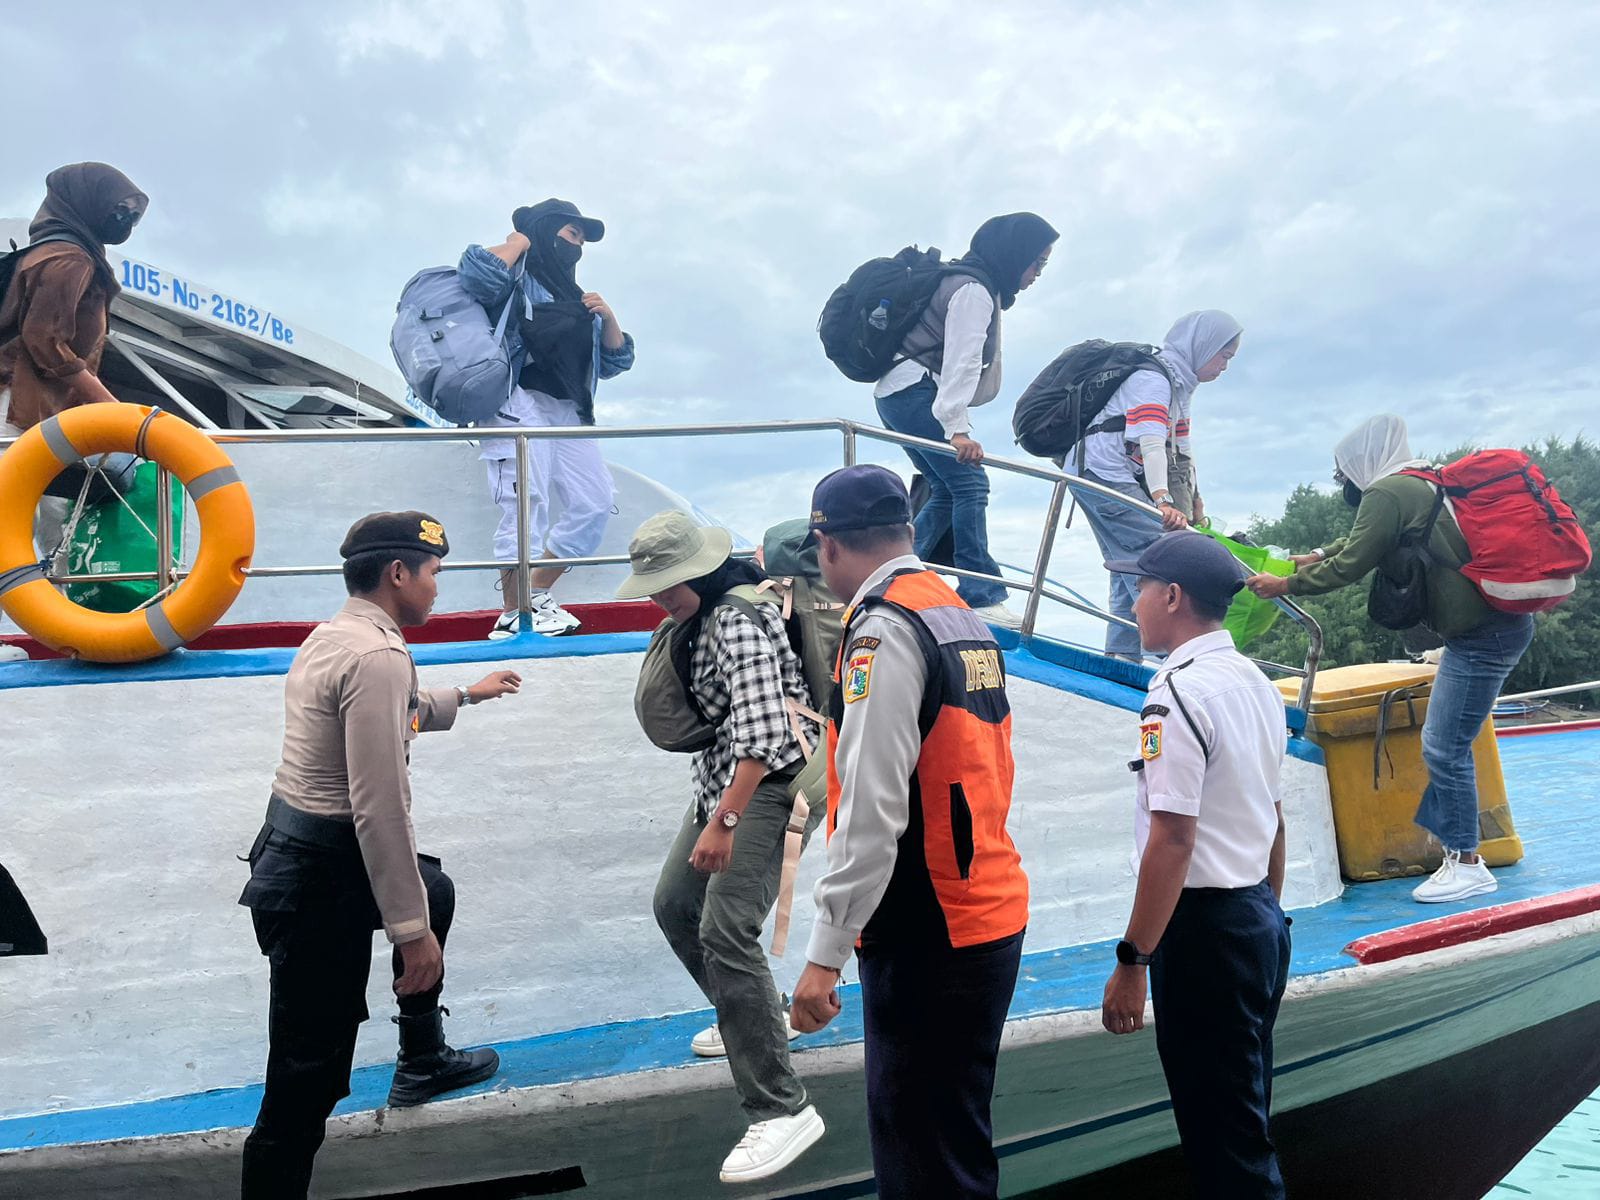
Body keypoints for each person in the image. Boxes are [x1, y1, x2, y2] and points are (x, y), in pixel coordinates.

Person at [238, 512, 520, 1198]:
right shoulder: (379, 656)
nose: (436, 589)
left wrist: (465, 697)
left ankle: (422, 1058)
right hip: (320, 880)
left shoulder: (339, 635)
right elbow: (379, 809)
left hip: (297, 855)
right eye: (433, 574)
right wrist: (410, 933)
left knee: (436, 886)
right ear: (399, 573)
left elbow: (394, 712)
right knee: (305, 1085)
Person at [790, 465, 1029, 1200]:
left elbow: (869, 808)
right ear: (908, 531)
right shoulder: (954, 611)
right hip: (985, 906)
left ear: (827, 545)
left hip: (929, 928)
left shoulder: (883, 629)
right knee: (955, 1146)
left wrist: (825, 955)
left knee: (924, 1162)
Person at [1245, 413, 1534, 903]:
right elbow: (1363, 540)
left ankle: (1467, 861)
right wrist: (1312, 555)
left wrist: (1285, 585)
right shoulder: (1417, 479)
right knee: (1445, 741)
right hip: (1490, 629)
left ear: (1360, 463)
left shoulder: (1387, 492)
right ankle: (1454, 852)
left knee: (1444, 746)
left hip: (1483, 636)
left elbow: (1355, 561)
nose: (1344, 483)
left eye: (1342, 474)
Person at [618, 510, 826, 1185]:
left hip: (767, 781)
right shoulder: (700, 616)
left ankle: (781, 1106)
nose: (660, 596)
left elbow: (765, 733)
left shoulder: (737, 617)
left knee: (726, 926)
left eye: (670, 582)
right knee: (676, 904)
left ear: (703, 569)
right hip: (724, 779)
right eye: (653, 586)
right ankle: (755, 1021)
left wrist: (725, 823)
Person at [1099, 531, 1291, 1200]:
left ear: (1172, 596)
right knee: (1244, 1119)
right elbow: (1273, 815)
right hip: (1256, 920)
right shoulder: (1256, 684)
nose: (1135, 603)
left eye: (1141, 589)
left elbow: (1173, 839)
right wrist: (1266, 914)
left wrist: (1133, 962)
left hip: (1208, 932)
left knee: (1226, 1145)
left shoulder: (1175, 694)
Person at [458, 198, 635, 639]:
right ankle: (514, 614)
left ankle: (533, 595)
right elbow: (475, 273)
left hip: (568, 412)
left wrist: (608, 316)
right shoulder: (513, 279)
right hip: (515, 400)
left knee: (594, 501)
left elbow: (615, 362)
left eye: (580, 239)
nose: (576, 245)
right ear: (544, 229)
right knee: (524, 502)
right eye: (570, 234)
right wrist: (517, 242)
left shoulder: (578, 298)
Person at [873, 213, 1059, 630]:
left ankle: (893, 576)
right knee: (971, 483)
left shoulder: (967, 281)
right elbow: (962, 361)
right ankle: (982, 595)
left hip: (898, 394)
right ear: (1013, 256)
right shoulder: (973, 290)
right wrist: (957, 429)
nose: (1036, 274)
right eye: (1036, 263)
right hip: (914, 390)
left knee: (945, 488)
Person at [1072, 310, 1242, 661]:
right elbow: (1151, 443)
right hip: (1103, 472)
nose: (1224, 366)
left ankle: (1121, 656)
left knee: (1128, 563)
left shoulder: (1179, 385)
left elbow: (1181, 446)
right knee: (1158, 552)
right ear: (1202, 345)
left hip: (1099, 473)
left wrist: (1194, 496)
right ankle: (1167, 655)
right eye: (1223, 356)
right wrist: (1163, 500)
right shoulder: (1155, 380)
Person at [0, 162, 148, 558]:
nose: (125, 220)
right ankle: (42, 607)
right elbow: (44, 339)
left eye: (133, 214)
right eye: (119, 209)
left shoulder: (53, 250)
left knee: (48, 511)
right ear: (86, 203)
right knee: (23, 514)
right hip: (19, 405)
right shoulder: (70, 258)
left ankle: (46, 608)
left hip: (38, 406)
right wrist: (109, 404)